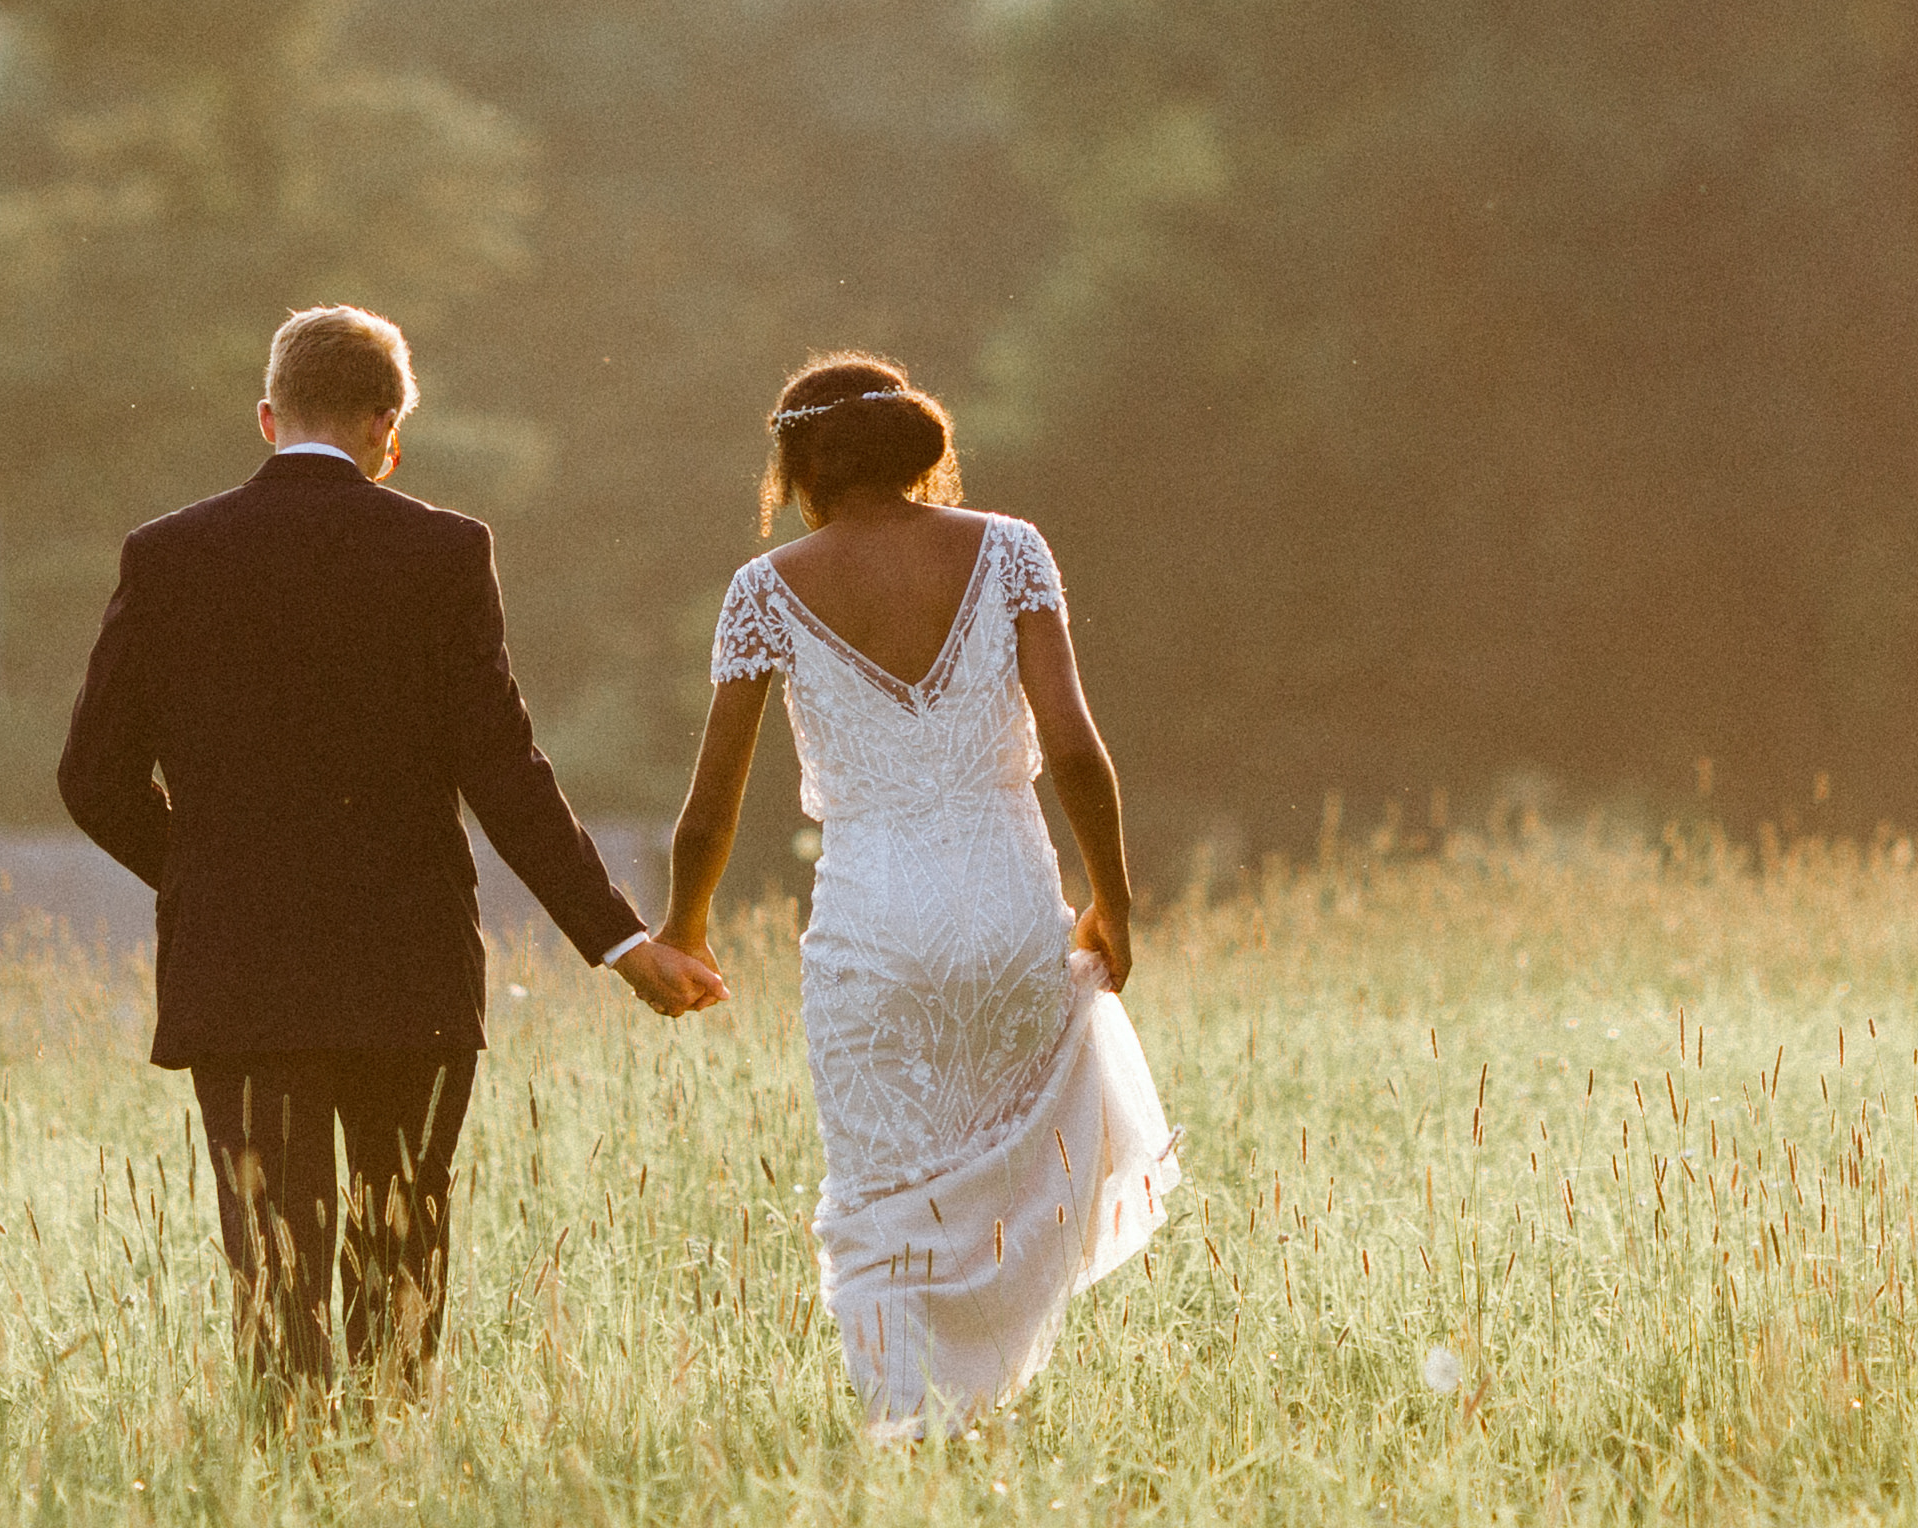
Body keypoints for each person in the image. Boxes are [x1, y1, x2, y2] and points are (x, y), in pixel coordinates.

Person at [58, 305, 730, 1412]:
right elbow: (503, 770)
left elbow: (92, 777)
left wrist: (204, 876)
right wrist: (619, 941)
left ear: (268, 418)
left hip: (242, 966)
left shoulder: (166, 555)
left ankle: (291, 1489)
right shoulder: (442, 552)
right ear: (390, 428)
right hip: (408, 968)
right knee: (399, 1258)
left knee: (277, 1275)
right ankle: (389, 1479)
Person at [652, 351, 1180, 1432]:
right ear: (917, 447)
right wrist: (1112, 900)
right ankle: (984, 1418)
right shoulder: (1012, 551)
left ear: (798, 461)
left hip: (874, 924)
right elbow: (1076, 750)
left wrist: (684, 927)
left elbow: (710, 810)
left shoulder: (765, 591)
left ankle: (909, 1432)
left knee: (887, 1191)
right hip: (1010, 905)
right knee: (1006, 1175)